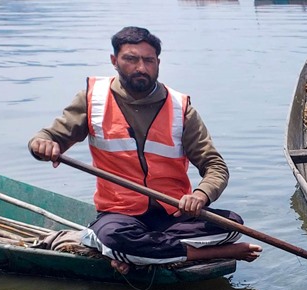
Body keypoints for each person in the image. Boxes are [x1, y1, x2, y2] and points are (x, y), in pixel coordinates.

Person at [28, 26, 260, 274]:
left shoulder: (180, 108)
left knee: (232, 225)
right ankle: (207, 253)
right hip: (120, 216)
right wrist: (42, 144)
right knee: (115, 237)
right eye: (131, 59)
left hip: (173, 216)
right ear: (114, 61)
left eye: (148, 60)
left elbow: (215, 166)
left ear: (158, 63)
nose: (141, 67)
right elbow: (49, 138)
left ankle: (138, 254)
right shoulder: (93, 99)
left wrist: (201, 195)